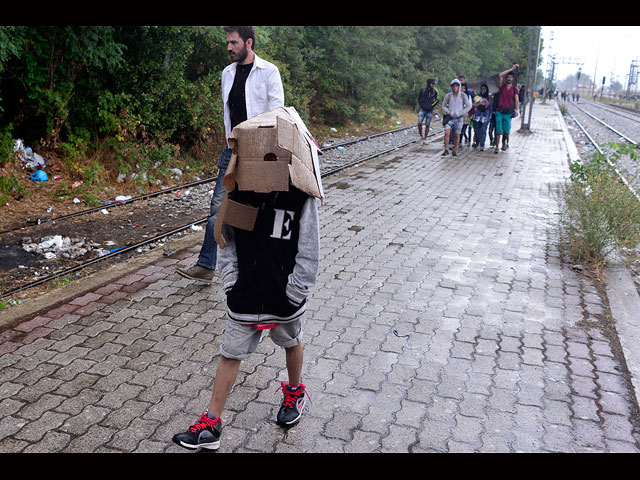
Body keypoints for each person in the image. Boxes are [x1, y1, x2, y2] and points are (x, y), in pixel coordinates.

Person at [172, 108, 321, 452]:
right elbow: (226, 241)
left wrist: (295, 291)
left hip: (284, 294)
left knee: (291, 341)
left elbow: (309, 249)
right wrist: (230, 283)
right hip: (246, 292)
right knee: (230, 353)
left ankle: (295, 393)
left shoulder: (300, 196)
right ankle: (211, 424)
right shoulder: (240, 191)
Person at [177, 26, 285, 284]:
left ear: (248, 42)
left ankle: (261, 265)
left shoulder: (269, 72)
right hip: (232, 150)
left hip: (259, 151)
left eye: (233, 42)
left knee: (258, 207)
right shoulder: (227, 73)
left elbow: (278, 112)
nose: (229, 47)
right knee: (218, 206)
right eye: (227, 42)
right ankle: (205, 265)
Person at [441, 78, 471, 157]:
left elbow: (469, 106)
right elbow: (443, 105)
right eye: (453, 86)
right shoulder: (448, 96)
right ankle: (446, 149)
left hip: (459, 117)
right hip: (450, 117)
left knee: (457, 135)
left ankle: (454, 149)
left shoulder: (463, 96)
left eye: (456, 86)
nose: (455, 88)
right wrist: (448, 111)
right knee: (447, 132)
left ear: (459, 87)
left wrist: (462, 112)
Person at [493, 64, 520, 154]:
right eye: (508, 77)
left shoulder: (514, 89)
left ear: (513, 79)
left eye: (511, 77)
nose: (509, 78)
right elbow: (500, 75)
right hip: (499, 111)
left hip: (508, 112)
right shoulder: (502, 86)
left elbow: (516, 100)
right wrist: (511, 69)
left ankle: (504, 143)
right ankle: (497, 146)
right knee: (498, 130)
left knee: (506, 131)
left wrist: (517, 109)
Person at [472, 83, 492, 151]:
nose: (483, 90)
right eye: (482, 89)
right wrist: (478, 103)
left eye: (484, 89)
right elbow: (474, 104)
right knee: (477, 130)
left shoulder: (489, 97)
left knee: (483, 130)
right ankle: (477, 141)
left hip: (486, 116)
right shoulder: (478, 96)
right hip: (477, 116)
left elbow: (489, 105)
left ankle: (482, 144)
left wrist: (484, 103)